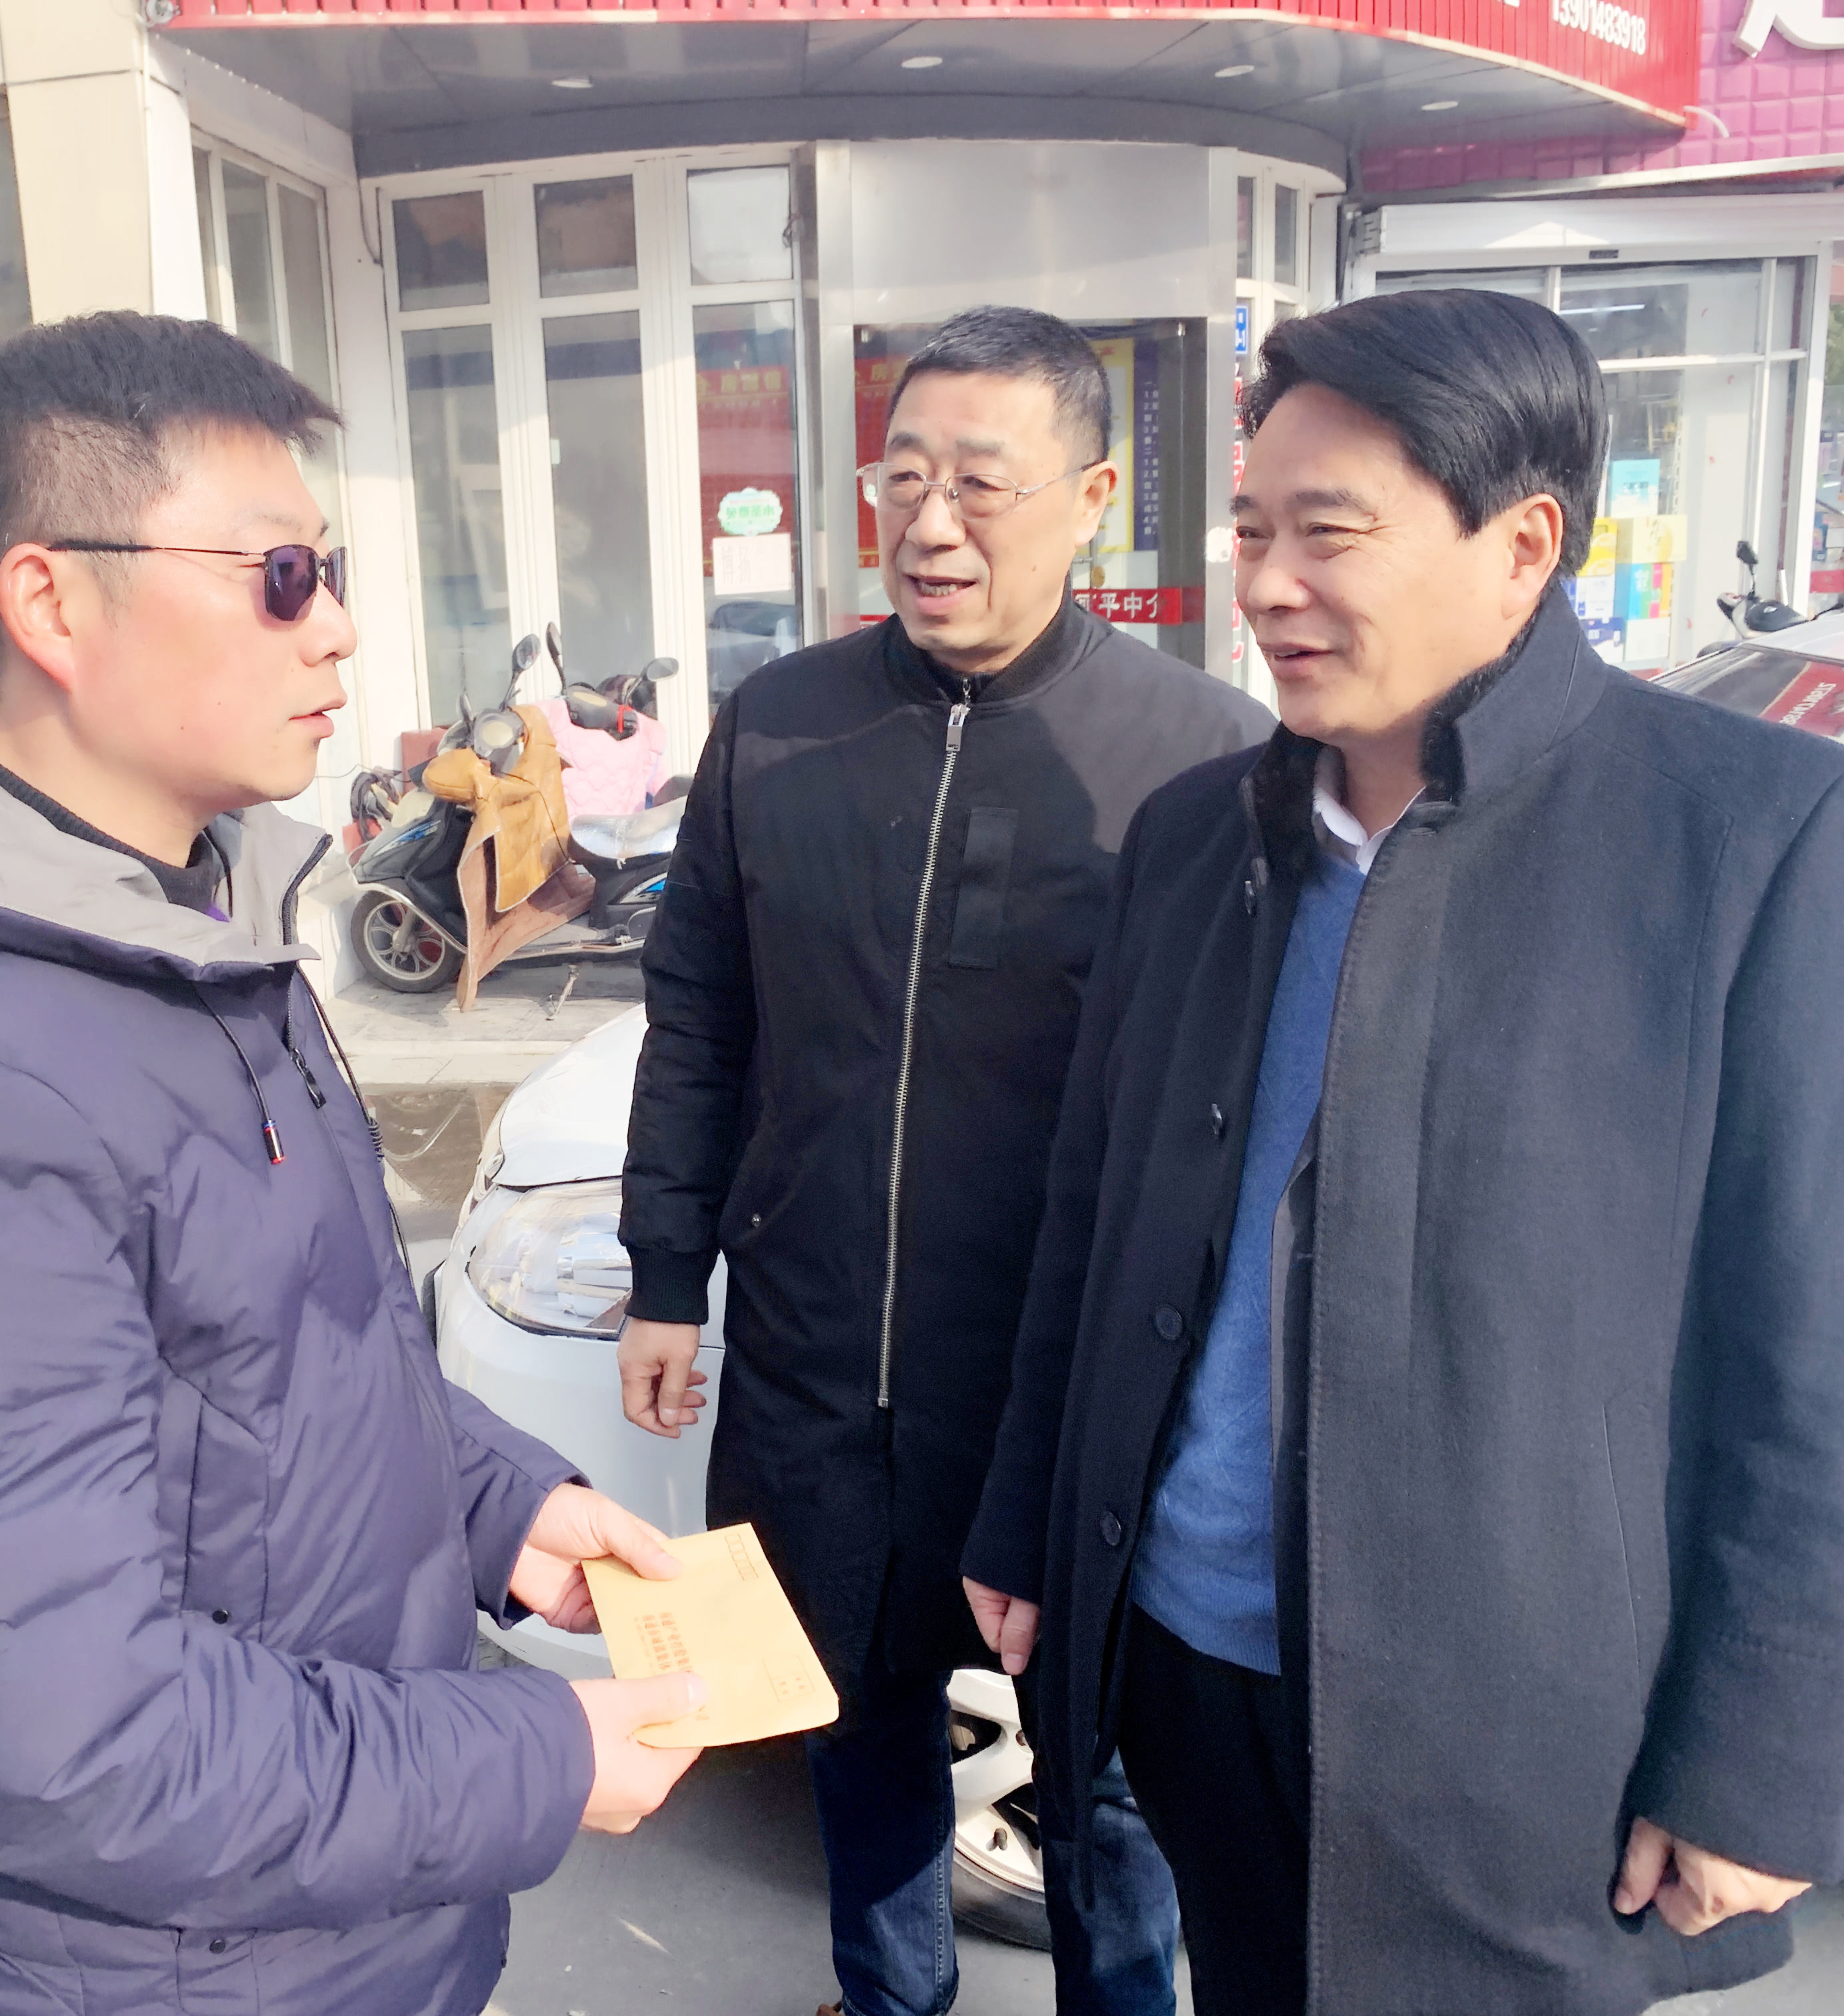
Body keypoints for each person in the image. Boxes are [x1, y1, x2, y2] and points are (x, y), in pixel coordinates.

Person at [0, 312, 707, 2016]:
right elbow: (60, 1736)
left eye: (331, 571)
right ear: (49, 602)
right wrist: (533, 1758)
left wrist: (500, 1505)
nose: (341, 627)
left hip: (328, 1927)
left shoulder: (177, 930)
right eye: (280, 576)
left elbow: (269, 1371)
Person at [961, 287, 1844, 2016]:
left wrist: (1762, 1759)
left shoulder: (1765, 838)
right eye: (1250, 530)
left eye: (1328, 534)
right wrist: (1029, 1519)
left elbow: (1834, 1357)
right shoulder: (1202, 835)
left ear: (1524, 545)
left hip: (1521, 1746)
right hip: (1189, 1666)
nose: (1268, 586)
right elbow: (1093, 1216)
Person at [617, 304, 1269, 2016]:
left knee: (1096, 1768)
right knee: (848, 1713)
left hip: (1058, 1386)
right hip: (816, 1357)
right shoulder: (779, 724)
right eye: (902, 479)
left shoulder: (1199, 759)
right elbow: (698, 1012)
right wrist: (668, 1275)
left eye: (982, 483)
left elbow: (1225, 1114)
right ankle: (888, 1997)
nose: (931, 526)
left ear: (1095, 500)